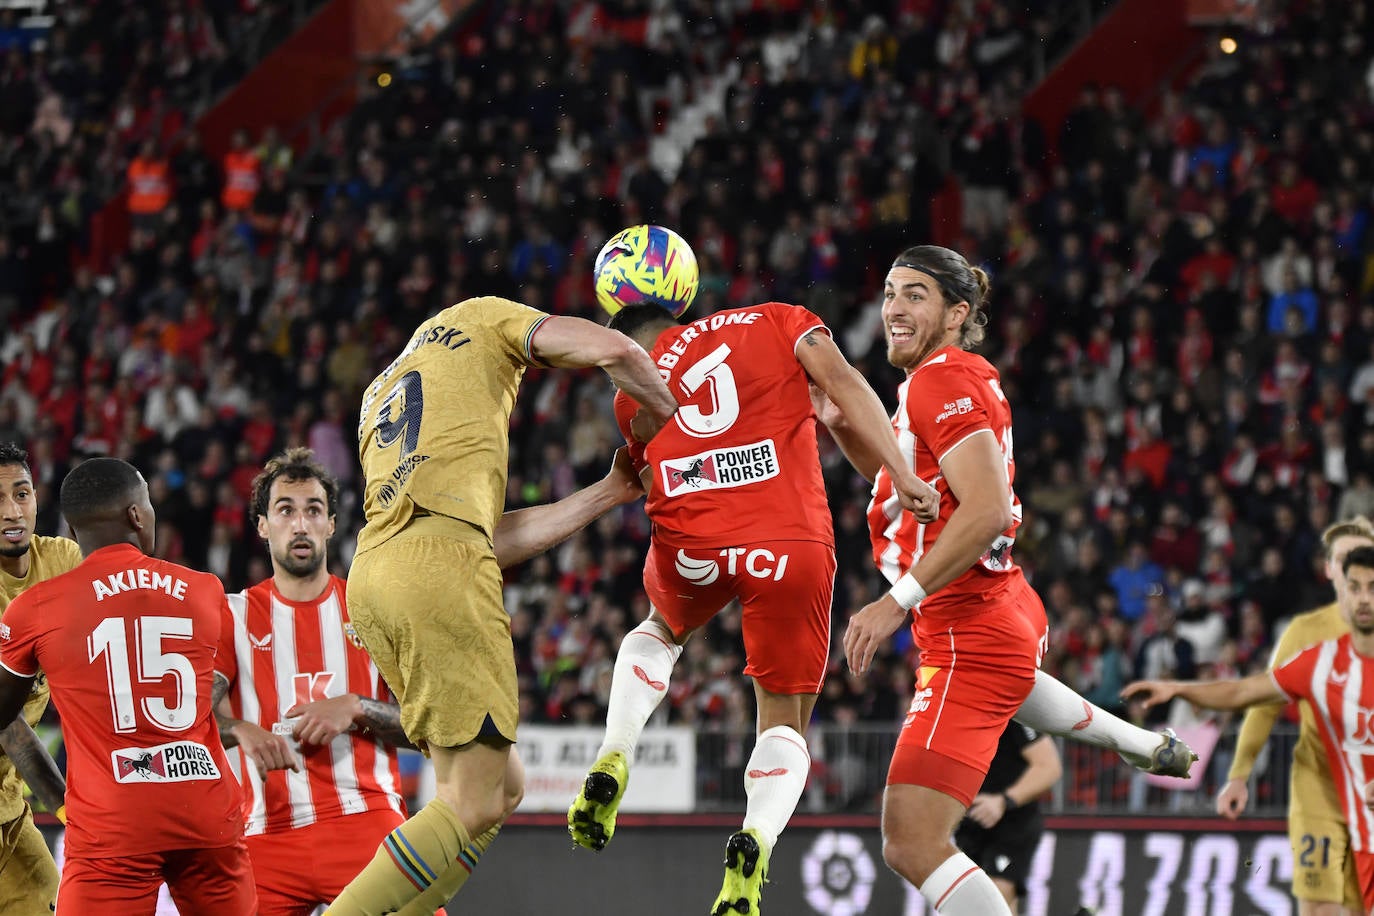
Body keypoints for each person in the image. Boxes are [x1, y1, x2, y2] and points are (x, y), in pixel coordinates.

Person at [816, 246, 1194, 915]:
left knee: (911, 840)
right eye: (891, 293)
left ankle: (1132, 745)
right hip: (1001, 612)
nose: (894, 310)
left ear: (958, 313)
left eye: (916, 296)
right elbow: (912, 491)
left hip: (968, 625)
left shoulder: (940, 381)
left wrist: (893, 604)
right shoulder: (937, 380)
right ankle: (1137, 743)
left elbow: (987, 509)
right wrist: (845, 428)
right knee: (1010, 686)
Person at [564, 302, 936, 916]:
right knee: (785, 717)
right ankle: (754, 837)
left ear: (631, 344)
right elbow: (845, 387)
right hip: (788, 538)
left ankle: (618, 746)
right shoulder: (779, 319)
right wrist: (902, 473)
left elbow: (652, 463)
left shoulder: (630, 396)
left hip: (696, 534)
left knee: (661, 626)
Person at [328, 295, 678, 914]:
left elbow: (484, 540)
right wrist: (675, 416)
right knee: (471, 801)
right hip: (439, 573)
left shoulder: (384, 389)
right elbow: (617, 348)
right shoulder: (484, 316)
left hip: (377, 575)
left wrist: (607, 493)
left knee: (500, 788)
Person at [0, 458, 254, 914]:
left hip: (108, 825)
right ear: (137, 515)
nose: (12, 511)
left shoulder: (42, 594)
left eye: (21, 494)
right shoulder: (206, 589)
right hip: (207, 810)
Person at [1125, 544, 1374, 914]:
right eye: (1354, 587)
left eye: (1373, 587)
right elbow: (1243, 691)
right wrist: (1179, 687)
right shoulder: (1320, 662)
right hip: (1351, 817)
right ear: (1342, 592)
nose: (1364, 598)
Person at [1214, 517, 1374, 916]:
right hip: (1318, 785)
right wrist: (1239, 773)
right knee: (1320, 906)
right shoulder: (1305, 631)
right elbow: (1264, 703)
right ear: (1329, 569)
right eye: (1342, 559)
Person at [0, 442, 82, 912]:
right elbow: (6, 723)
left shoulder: (61, 562)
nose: (12, 511)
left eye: (22, 493)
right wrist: (75, 814)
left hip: (9, 811)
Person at [953, 721, 1062, 915]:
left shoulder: (1013, 714)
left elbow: (1049, 767)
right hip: (970, 823)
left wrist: (1004, 801)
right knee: (977, 904)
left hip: (1014, 823)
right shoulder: (951, 712)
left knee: (994, 896)